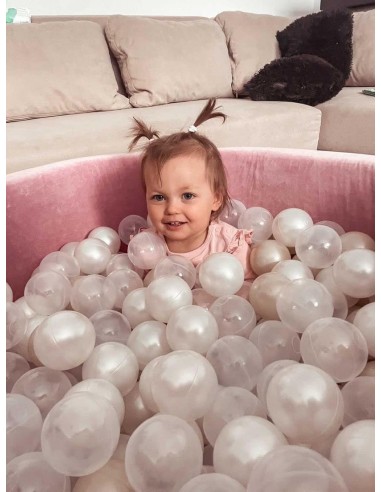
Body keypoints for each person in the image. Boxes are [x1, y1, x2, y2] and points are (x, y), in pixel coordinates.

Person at [129, 99, 255, 279]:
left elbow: (247, 291)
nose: (172, 209)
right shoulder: (145, 247)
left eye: (187, 196)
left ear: (215, 199)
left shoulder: (230, 246)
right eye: (158, 197)